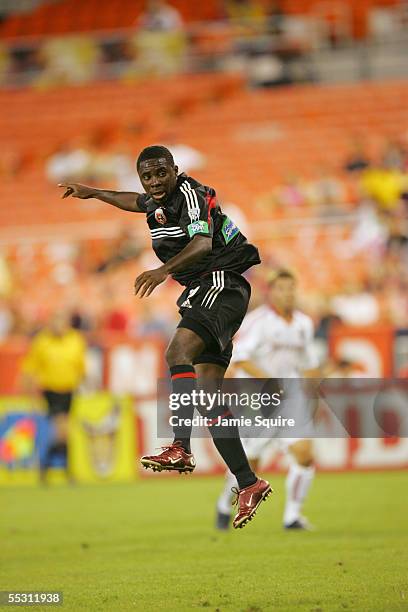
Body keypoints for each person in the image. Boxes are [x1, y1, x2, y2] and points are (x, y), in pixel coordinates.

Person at [59, 144, 272, 529]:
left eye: (161, 173)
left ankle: (180, 447)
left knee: (177, 353)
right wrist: (93, 192)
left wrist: (161, 272)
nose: (154, 182)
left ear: (175, 170)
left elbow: (203, 242)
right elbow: (133, 202)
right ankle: (249, 482)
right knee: (207, 399)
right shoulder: (156, 200)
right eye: (147, 176)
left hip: (220, 281)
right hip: (208, 290)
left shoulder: (191, 194)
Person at [216, 269, 319, 530]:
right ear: (271, 292)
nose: (287, 293)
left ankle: (292, 517)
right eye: (282, 289)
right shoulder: (257, 322)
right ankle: (223, 503)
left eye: (291, 288)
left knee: (304, 455)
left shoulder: (304, 324)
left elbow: (308, 363)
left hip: (291, 399)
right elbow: (239, 359)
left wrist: (314, 388)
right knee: (250, 464)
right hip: (258, 401)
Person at [21, 312, 86, 482]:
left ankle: (46, 466)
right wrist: (31, 398)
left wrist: (85, 385)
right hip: (51, 391)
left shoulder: (75, 340)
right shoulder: (42, 342)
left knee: (62, 432)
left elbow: (81, 367)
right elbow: (30, 369)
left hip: (69, 391)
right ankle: (67, 471)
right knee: (63, 431)